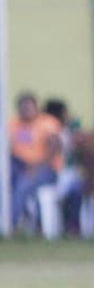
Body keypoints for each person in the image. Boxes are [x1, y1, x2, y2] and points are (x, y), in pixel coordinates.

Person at [8, 91, 64, 233]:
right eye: (22, 107)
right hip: (18, 165)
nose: (25, 110)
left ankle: (9, 225)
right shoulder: (13, 123)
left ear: (36, 107)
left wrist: (36, 167)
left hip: (45, 169)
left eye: (29, 106)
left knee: (23, 184)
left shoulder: (47, 122)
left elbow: (54, 150)